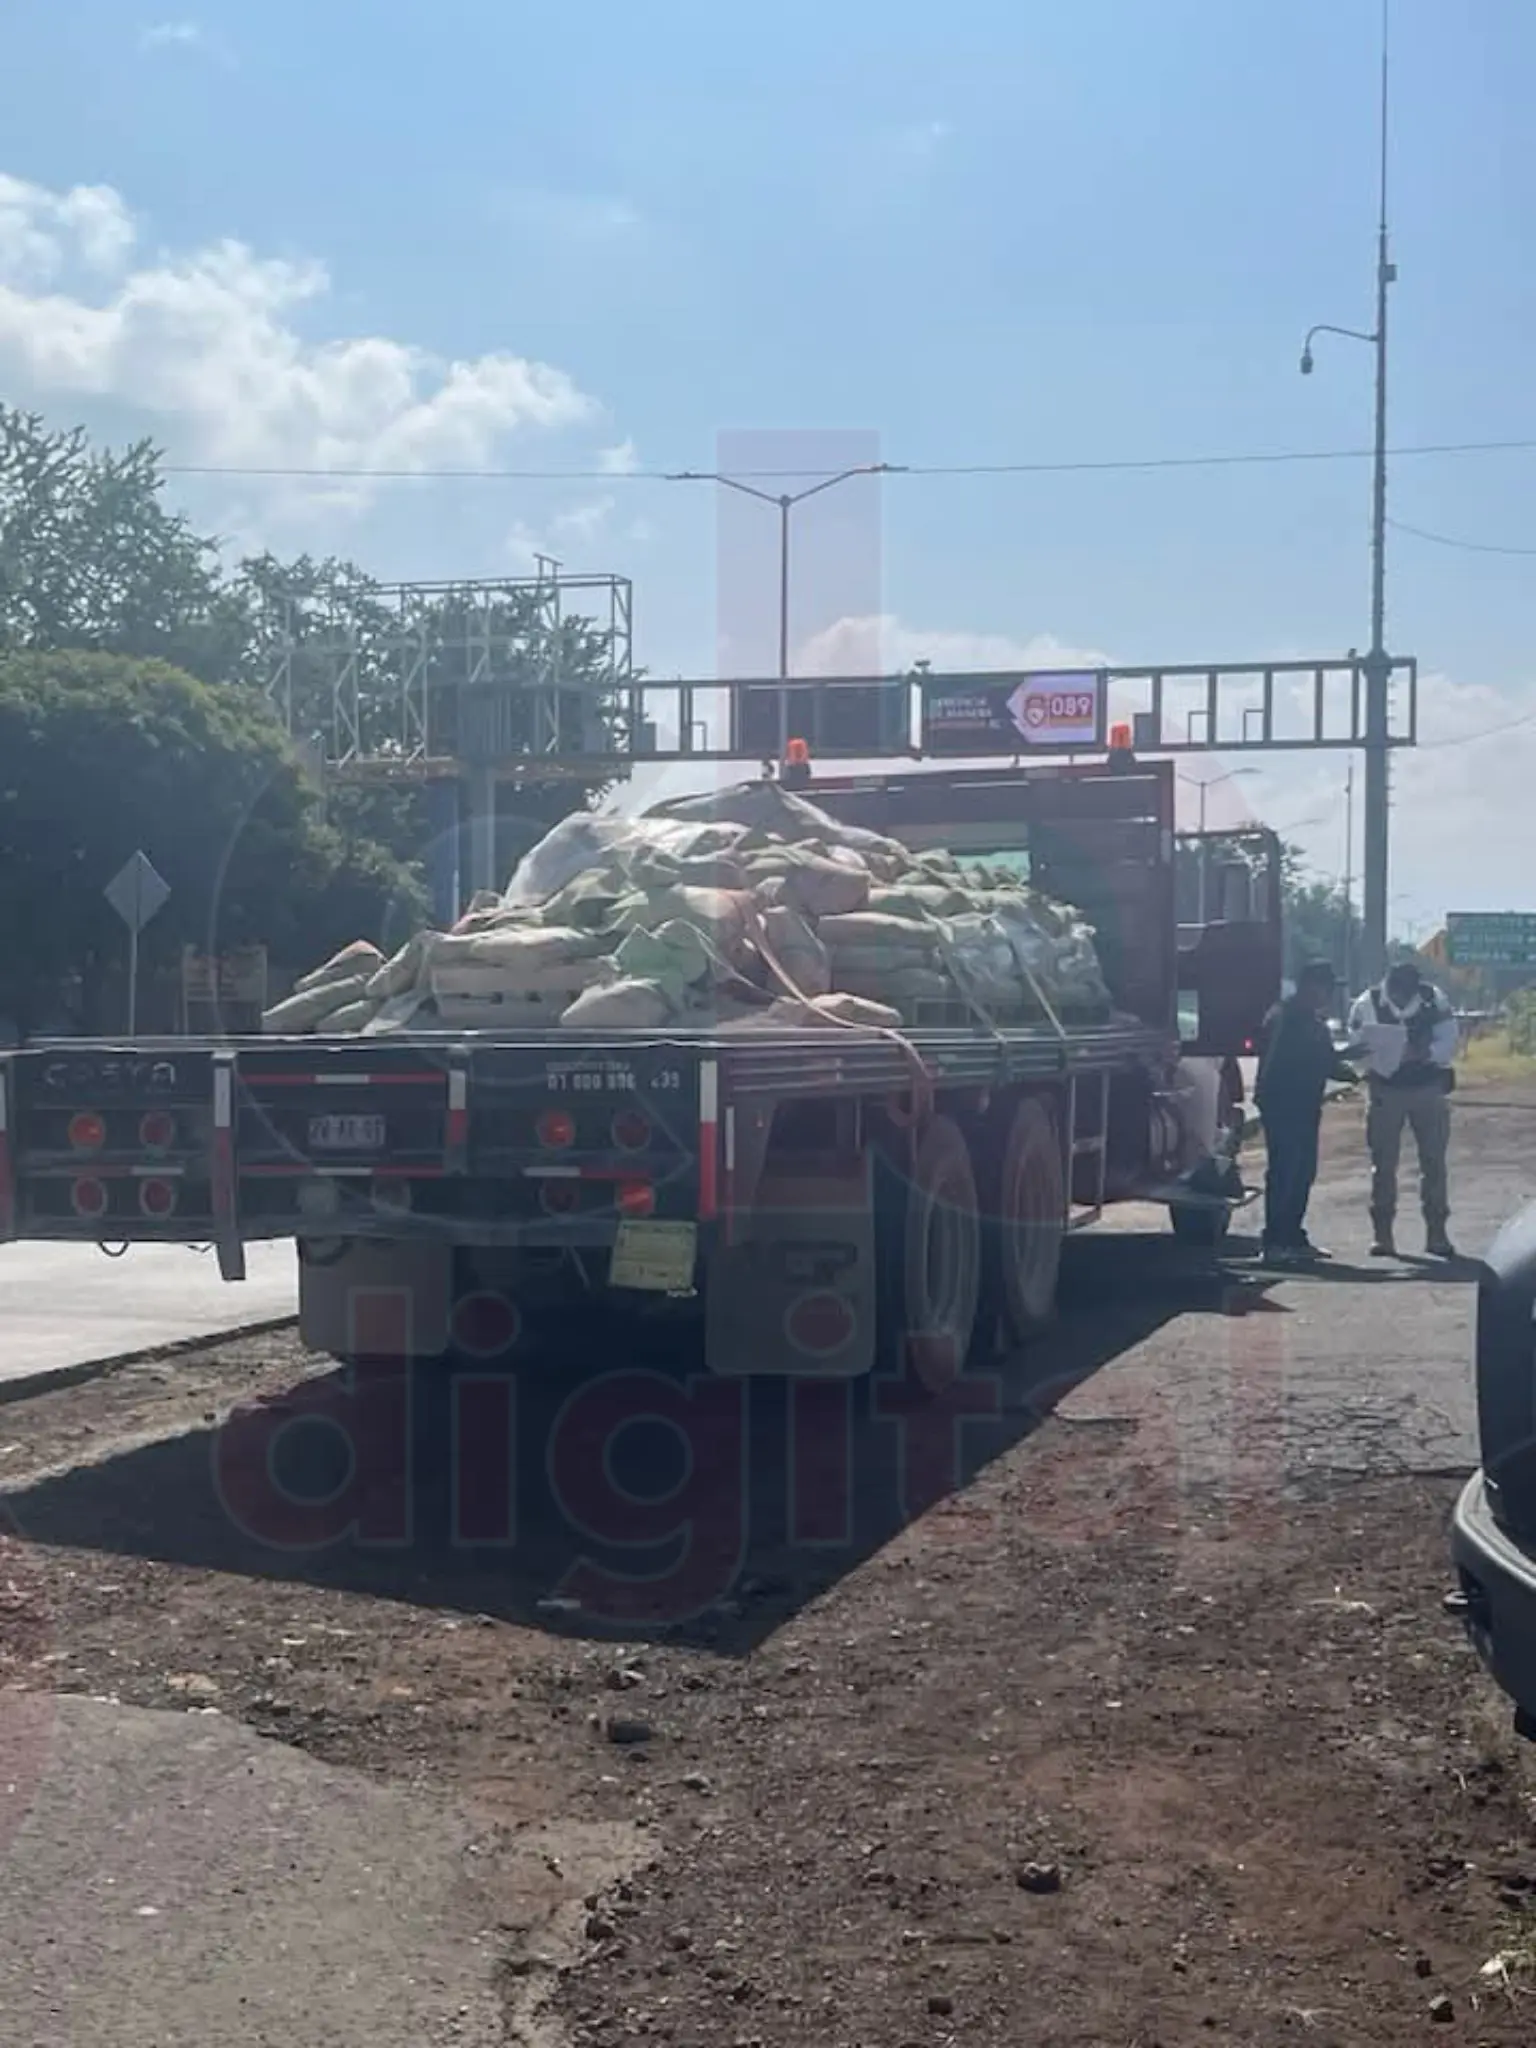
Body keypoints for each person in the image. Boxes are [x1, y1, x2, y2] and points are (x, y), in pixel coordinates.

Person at [1347, 961, 1459, 1259]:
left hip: (1428, 1087)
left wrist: (1424, 1053)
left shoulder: (1434, 999)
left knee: (1433, 1162)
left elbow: (1449, 1039)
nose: (1403, 998)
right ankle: (1382, 1235)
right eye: (1399, 991)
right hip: (1385, 1089)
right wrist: (1384, 1056)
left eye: (1408, 992)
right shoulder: (1366, 1003)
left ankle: (1437, 1233)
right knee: (1383, 1164)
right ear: (1389, 985)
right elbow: (1357, 1047)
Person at [1254, 961, 1356, 1266]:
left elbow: (1325, 1061)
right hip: (1284, 1106)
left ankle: (1293, 1237)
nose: (1328, 996)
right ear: (1310, 985)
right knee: (1284, 1173)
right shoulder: (1284, 1018)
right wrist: (1267, 1102)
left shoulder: (1313, 1021)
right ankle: (1274, 1241)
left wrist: (1351, 1068)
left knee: (1302, 1173)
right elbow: (1277, 1063)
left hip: (1307, 1106)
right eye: (1326, 988)